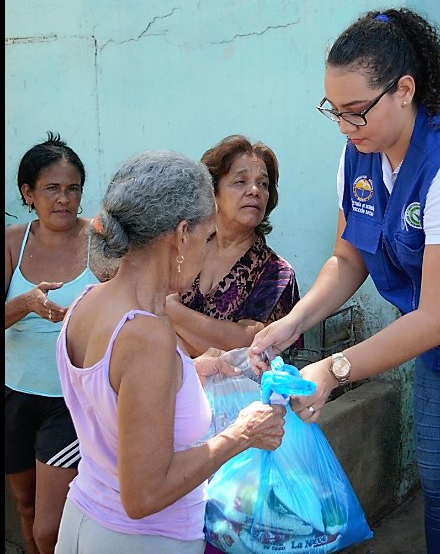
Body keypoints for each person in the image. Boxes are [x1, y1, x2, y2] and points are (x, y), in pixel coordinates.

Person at [249, 7, 440, 554]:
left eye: (356, 112)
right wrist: (292, 323)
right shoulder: (358, 157)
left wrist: (335, 368)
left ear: (404, 90)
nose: (345, 127)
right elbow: (348, 259)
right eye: (334, 112)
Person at [53, 149, 286, 554]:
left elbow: (113, 398)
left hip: (83, 519)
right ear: (181, 236)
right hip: (142, 540)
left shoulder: (87, 302)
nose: (207, 247)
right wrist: (241, 434)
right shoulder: (148, 335)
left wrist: (189, 372)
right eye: (207, 235)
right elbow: (144, 494)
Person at [5, 132, 106, 554]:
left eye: (72, 189)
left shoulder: (99, 240)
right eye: (51, 188)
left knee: (52, 526)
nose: (63, 199)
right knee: (25, 507)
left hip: (69, 401)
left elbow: (125, 309)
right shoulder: (13, 241)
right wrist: (26, 303)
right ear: (28, 193)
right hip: (13, 395)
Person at [166, 134, 302, 358]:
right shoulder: (185, 246)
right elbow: (150, 319)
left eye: (263, 184)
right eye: (240, 182)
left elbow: (247, 343)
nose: (255, 191)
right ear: (213, 192)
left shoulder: (276, 273)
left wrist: (171, 310)